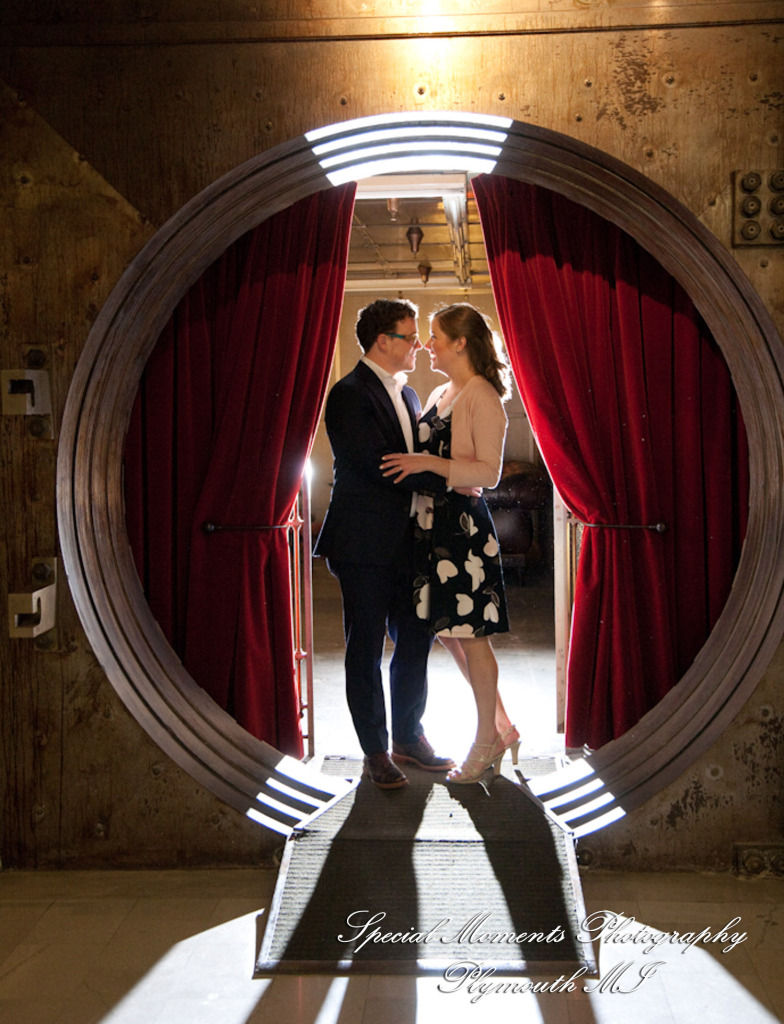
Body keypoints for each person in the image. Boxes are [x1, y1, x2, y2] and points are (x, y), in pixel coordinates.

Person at [314, 298, 455, 789]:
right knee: (366, 647)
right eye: (409, 337)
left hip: (409, 540)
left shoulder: (410, 394)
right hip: (363, 543)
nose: (418, 345)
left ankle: (408, 738)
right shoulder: (348, 394)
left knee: (416, 639)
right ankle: (375, 750)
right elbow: (382, 466)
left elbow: (409, 460)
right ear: (382, 341)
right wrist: (455, 479)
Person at [381, 303, 520, 784]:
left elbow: (488, 473)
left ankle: (486, 740)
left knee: (471, 636)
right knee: (450, 631)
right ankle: (502, 728)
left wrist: (427, 465)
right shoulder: (441, 392)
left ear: (460, 343)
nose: (427, 344)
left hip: (462, 532)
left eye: (435, 336)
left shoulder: (482, 395)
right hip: (431, 528)